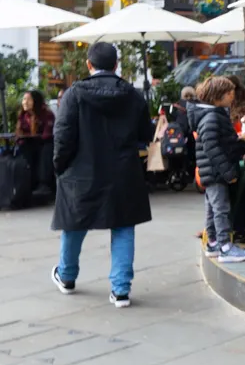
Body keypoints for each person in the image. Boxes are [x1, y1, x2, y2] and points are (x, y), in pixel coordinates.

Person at [51, 42, 153, 307]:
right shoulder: (132, 95)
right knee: (123, 227)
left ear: (88, 64)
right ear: (116, 65)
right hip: (123, 173)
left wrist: (59, 166)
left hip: (81, 172)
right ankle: (121, 290)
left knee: (74, 224)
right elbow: (146, 134)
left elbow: (62, 136)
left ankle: (67, 276)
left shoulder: (74, 95)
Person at [188, 76, 245, 263]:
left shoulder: (211, 115)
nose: (233, 95)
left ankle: (213, 243)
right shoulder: (212, 116)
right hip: (216, 172)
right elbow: (212, 147)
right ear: (218, 96)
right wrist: (228, 172)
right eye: (229, 93)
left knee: (212, 207)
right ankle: (225, 246)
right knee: (221, 208)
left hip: (211, 171)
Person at [16, 89, 56, 191]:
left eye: (29, 99)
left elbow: (47, 134)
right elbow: (18, 134)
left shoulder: (47, 114)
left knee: (46, 149)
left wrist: (34, 133)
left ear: (36, 101)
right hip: (29, 144)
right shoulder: (23, 116)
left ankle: (43, 184)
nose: (25, 102)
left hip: (44, 144)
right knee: (22, 148)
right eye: (24, 99)